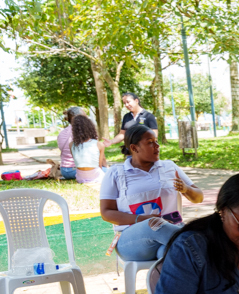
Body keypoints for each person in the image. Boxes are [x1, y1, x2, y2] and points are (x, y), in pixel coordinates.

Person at [100, 124, 204, 261]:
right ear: (134, 147)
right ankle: (205, 248)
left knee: (169, 255)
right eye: (150, 142)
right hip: (132, 241)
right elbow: (106, 212)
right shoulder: (116, 173)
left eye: (156, 141)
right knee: (155, 224)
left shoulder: (169, 167)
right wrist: (141, 219)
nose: (157, 146)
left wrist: (186, 189)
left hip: (170, 234)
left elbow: (198, 198)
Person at [69, 114, 107, 185]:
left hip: (80, 178)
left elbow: (76, 162)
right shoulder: (99, 144)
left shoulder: (71, 144)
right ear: (90, 128)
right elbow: (100, 166)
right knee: (109, 169)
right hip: (96, 177)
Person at [56, 107, 84, 180]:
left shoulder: (62, 133)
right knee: (107, 171)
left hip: (64, 171)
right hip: (77, 170)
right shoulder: (84, 131)